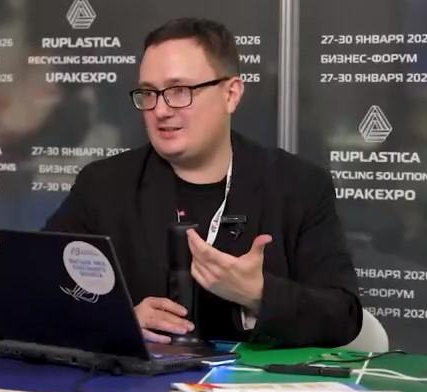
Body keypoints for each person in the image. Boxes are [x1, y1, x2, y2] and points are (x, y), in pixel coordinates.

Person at [44, 18, 362, 348]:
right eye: (149, 93)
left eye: (179, 91)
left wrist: (257, 294)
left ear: (231, 94)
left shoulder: (299, 186)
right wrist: (118, 319)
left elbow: (343, 316)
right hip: (139, 379)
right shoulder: (104, 186)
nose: (161, 110)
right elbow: (39, 288)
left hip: (253, 378)